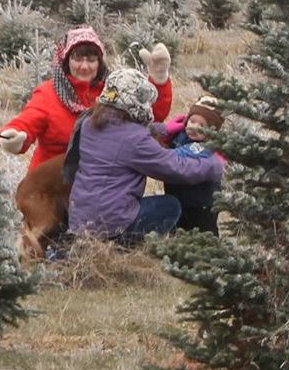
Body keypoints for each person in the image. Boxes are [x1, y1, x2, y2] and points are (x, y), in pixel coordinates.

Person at [67, 67, 223, 243]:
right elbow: (175, 167)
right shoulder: (135, 139)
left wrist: (163, 129)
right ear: (133, 101)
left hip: (81, 220)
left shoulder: (89, 124)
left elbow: (119, 135)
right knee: (170, 206)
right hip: (110, 226)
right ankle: (124, 245)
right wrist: (214, 164)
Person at [0, 28, 174, 167]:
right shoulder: (49, 93)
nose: (84, 66)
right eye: (77, 58)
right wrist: (12, 137)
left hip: (101, 183)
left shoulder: (115, 89)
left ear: (99, 62)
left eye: (91, 59)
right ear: (66, 61)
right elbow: (27, 122)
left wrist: (158, 79)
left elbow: (151, 116)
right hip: (52, 186)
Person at [160, 95, 225, 234]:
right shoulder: (180, 136)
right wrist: (166, 130)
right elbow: (159, 143)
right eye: (192, 121)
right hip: (178, 197)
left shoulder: (206, 148)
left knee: (205, 233)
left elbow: (176, 156)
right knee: (178, 230)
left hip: (202, 204)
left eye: (202, 126)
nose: (195, 127)